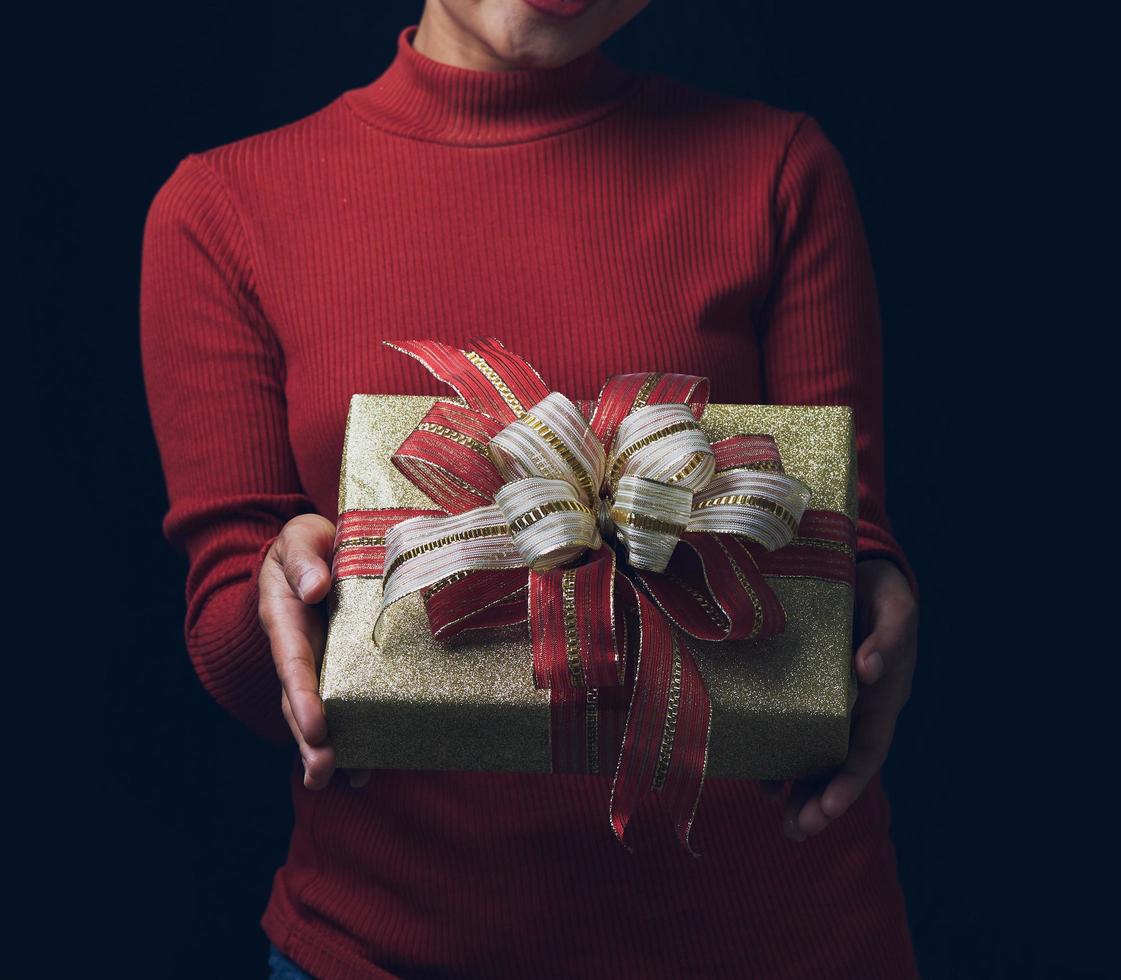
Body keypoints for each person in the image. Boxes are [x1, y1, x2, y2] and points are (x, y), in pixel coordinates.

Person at [140, 2, 921, 976]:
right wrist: (275, 603)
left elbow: (829, 534)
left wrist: (871, 604)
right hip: (386, 949)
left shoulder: (778, 170)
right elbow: (237, 625)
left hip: (783, 937)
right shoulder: (223, 207)